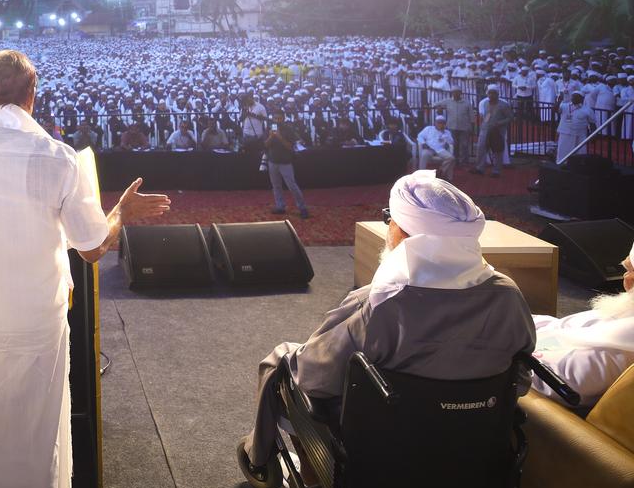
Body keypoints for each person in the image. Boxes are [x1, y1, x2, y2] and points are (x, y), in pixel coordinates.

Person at [0, 50, 170, 488]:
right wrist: (121, 212)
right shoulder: (59, 158)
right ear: (33, 95)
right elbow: (92, 248)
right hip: (38, 325)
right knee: (40, 442)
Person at [242, 170, 537, 470]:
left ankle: (279, 465)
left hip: (383, 452)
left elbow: (313, 375)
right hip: (474, 449)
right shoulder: (508, 297)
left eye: (390, 220)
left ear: (404, 235)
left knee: (283, 364)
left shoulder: (379, 303)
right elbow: (520, 379)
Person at [531, 243, 634, 408]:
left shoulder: (610, 356)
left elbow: (548, 381)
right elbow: (560, 328)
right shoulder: (625, 314)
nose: (626, 278)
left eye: (629, 270)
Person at [266, 110, 309, 219]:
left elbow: (291, 147)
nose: (277, 120)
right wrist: (271, 136)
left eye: (279, 118)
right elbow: (265, 145)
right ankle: (280, 206)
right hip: (272, 161)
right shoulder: (270, 128)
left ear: (284, 118)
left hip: (285, 162)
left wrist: (280, 137)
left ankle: (302, 208)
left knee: (292, 186)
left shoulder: (289, 129)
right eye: (275, 118)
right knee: (276, 186)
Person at [471, 86, 513, 177]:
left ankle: (496, 171)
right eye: (490, 93)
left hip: (498, 131)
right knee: (481, 148)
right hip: (485, 129)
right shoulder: (486, 103)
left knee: (497, 150)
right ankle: (480, 168)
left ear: (497, 94)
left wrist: (499, 123)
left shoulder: (504, 105)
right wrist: (483, 124)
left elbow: (510, 118)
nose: (491, 95)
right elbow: (487, 115)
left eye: (493, 93)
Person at [437, 87, 474, 165]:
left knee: (464, 145)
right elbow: (436, 104)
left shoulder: (467, 103)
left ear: (461, 93)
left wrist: (472, 126)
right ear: (452, 93)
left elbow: (471, 116)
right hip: (452, 127)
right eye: (454, 92)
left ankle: (464, 162)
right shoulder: (447, 101)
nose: (455, 94)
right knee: (454, 145)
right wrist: (439, 107)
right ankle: (455, 161)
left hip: (464, 127)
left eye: (457, 92)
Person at [555, 92, 592, 163]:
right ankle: (561, 163)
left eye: (576, 97)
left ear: (582, 99)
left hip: (580, 135)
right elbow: (556, 110)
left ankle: (578, 166)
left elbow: (592, 123)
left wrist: (593, 134)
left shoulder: (587, 109)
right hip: (565, 133)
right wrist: (559, 100)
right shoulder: (564, 106)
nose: (574, 98)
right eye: (573, 96)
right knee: (563, 151)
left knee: (580, 153)